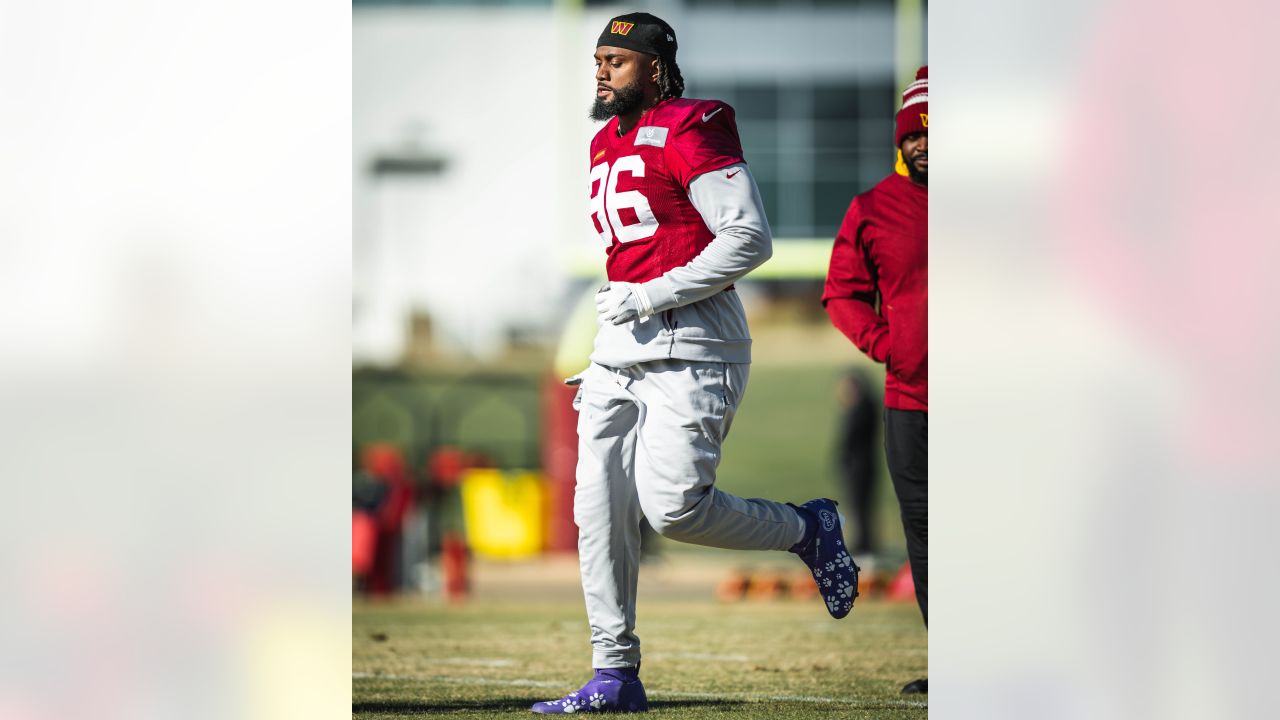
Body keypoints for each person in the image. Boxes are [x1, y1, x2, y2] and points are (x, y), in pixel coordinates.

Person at [531, 13, 859, 715]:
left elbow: (748, 238)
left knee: (674, 508)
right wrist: (623, 312)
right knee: (598, 512)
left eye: (616, 60)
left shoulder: (692, 123)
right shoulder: (603, 141)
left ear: (654, 67)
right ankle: (614, 674)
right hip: (620, 345)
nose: (601, 71)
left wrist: (651, 293)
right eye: (597, 59)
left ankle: (806, 527)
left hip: (694, 340)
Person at [822, 66, 928, 695]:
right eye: (916, 134)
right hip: (912, 399)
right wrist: (890, 346)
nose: (926, 143)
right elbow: (843, 294)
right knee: (926, 531)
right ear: (901, 140)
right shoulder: (873, 208)